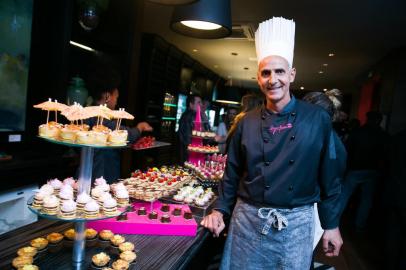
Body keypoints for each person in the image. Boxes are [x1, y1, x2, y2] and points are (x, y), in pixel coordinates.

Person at [201, 17, 343, 269]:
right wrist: (219, 210)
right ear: (258, 78)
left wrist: (331, 225)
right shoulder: (247, 122)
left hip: (296, 223)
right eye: (266, 73)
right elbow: (232, 173)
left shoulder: (317, 120)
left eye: (279, 71)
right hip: (247, 220)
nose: (273, 79)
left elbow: (329, 178)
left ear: (292, 74)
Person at [87, 69, 152, 183]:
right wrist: (140, 127)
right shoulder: (100, 117)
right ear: (107, 96)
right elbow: (125, 133)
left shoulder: (88, 111)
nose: (116, 102)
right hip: (100, 175)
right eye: (116, 97)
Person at [341, 111, 388, 231]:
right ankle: (359, 225)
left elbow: (347, 149)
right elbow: (385, 154)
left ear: (367, 119)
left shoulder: (358, 132)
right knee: (366, 200)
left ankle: (333, 221)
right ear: (379, 120)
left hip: (355, 169)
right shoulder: (383, 135)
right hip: (373, 170)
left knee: (344, 196)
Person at [177, 94, 202, 163]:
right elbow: (187, 135)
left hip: (185, 150)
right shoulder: (190, 115)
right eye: (199, 102)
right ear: (191, 104)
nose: (201, 105)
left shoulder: (186, 114)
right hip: (189, 151)